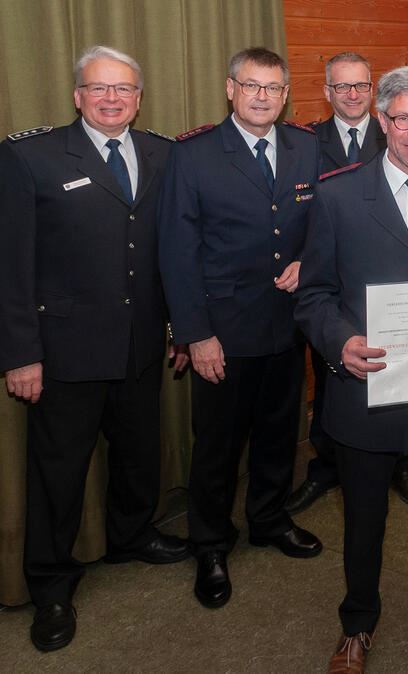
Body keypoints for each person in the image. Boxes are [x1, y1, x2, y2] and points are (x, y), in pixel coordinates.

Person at [0, 45, 190, 652]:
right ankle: (51, 583)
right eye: (100, 88)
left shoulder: (164, 153)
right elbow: (12, 266)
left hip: (139, 345)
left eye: (125, 89)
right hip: (65, 352)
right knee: (58, 474)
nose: (113, 98)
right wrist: (20, 352)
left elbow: (173, 253)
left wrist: (179, 328)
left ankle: (132, 536)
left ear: (140, 97)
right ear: (78, 95)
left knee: (137, 454)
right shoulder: (30, 156)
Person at [295, 64, 408, 674]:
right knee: (363, 523)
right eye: (401, 118)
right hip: (362, 391)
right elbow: (314, 295)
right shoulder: (338, 194)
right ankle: (357, 624)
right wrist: (339, 343)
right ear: (381, 121)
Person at [158, 47, 323, 610]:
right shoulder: (195, 155)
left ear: (285, 94)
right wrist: (194, 333)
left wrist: (310, 260)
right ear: (230, 89)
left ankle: (270, 519)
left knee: (280, 432)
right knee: (218, 447)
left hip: (287, 323)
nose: (262, 97)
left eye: (273, 88)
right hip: (221, 333)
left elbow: (323, 221)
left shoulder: (307, 147)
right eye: (251, 86)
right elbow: (178, 253)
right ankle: (210, 543)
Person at [284, 51, 408, 517]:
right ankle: (327, 464)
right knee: (330, 371)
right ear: (327, 93)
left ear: (372, 88)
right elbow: (293, 209)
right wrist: (302, 258)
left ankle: (396, 460)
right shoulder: (303, 144)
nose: (353, 94)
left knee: (395, 364)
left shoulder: (399, 132)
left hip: (388, 277)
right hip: (327, 279)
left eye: (361, 85)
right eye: (343, 87)